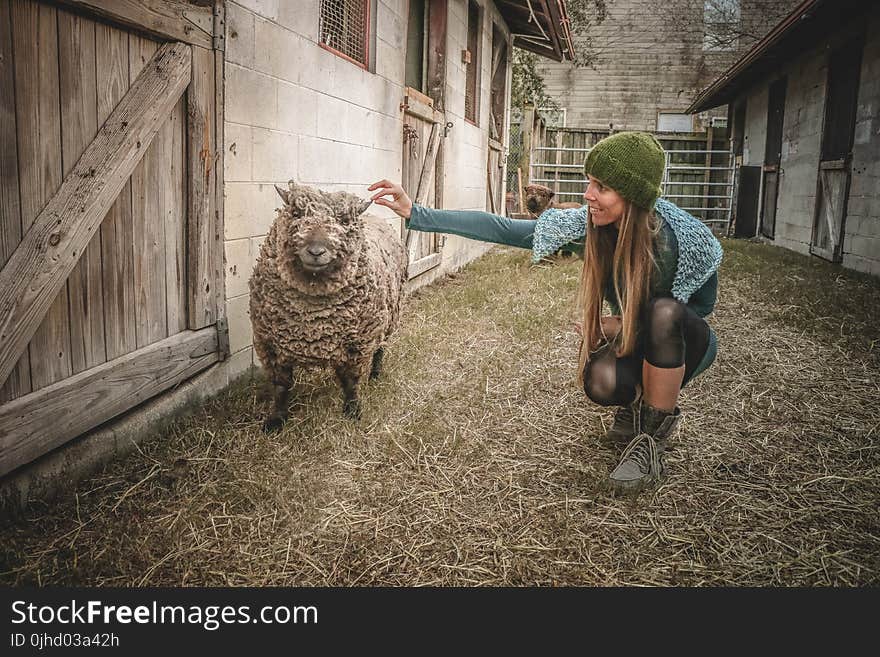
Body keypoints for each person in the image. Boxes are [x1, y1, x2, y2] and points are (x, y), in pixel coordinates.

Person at [368, 131, 722, 495]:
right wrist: (416, 212)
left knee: (663, 312)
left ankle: (651, 442)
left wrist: (623, 323)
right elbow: (502, 228)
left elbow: (698, 308)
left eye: (601, 187)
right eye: (589, 183)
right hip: (636, 339)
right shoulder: (587, 227)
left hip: (683, 345)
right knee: (600, 381)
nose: (587, 195)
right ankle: (635, 407)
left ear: (632, 194)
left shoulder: (684, 238)